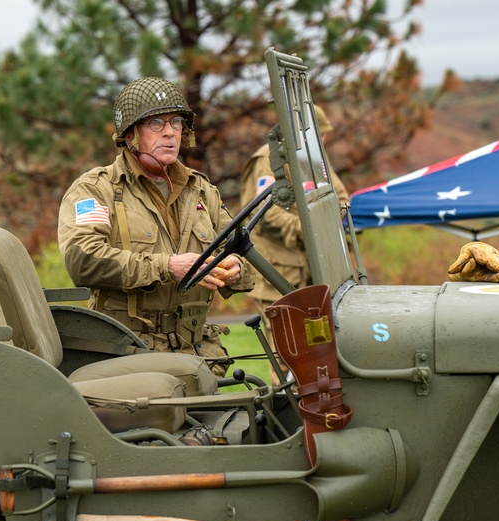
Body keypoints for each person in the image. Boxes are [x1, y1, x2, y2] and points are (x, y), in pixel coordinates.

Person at [58, 77, 254, 377]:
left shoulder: (200, 189)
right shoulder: (96, 190)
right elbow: (83, 259)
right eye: (156, 124)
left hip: (199, 354)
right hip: (129, 353)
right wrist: (167, 266)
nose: (170, 133)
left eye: (176, 122)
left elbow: (244, 253)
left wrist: (234, 269)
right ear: (130, 135)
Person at [239, 105, 350, 383]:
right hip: (280, 272)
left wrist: (332, 219)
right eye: (318, 135)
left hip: (315, 270)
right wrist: (310, 230)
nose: (322, 141)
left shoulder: (313, 159)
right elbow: (265, 211)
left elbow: (339, 197)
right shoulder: (268, 159)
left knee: (320, 352)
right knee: (286, 354)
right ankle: (286, 416)